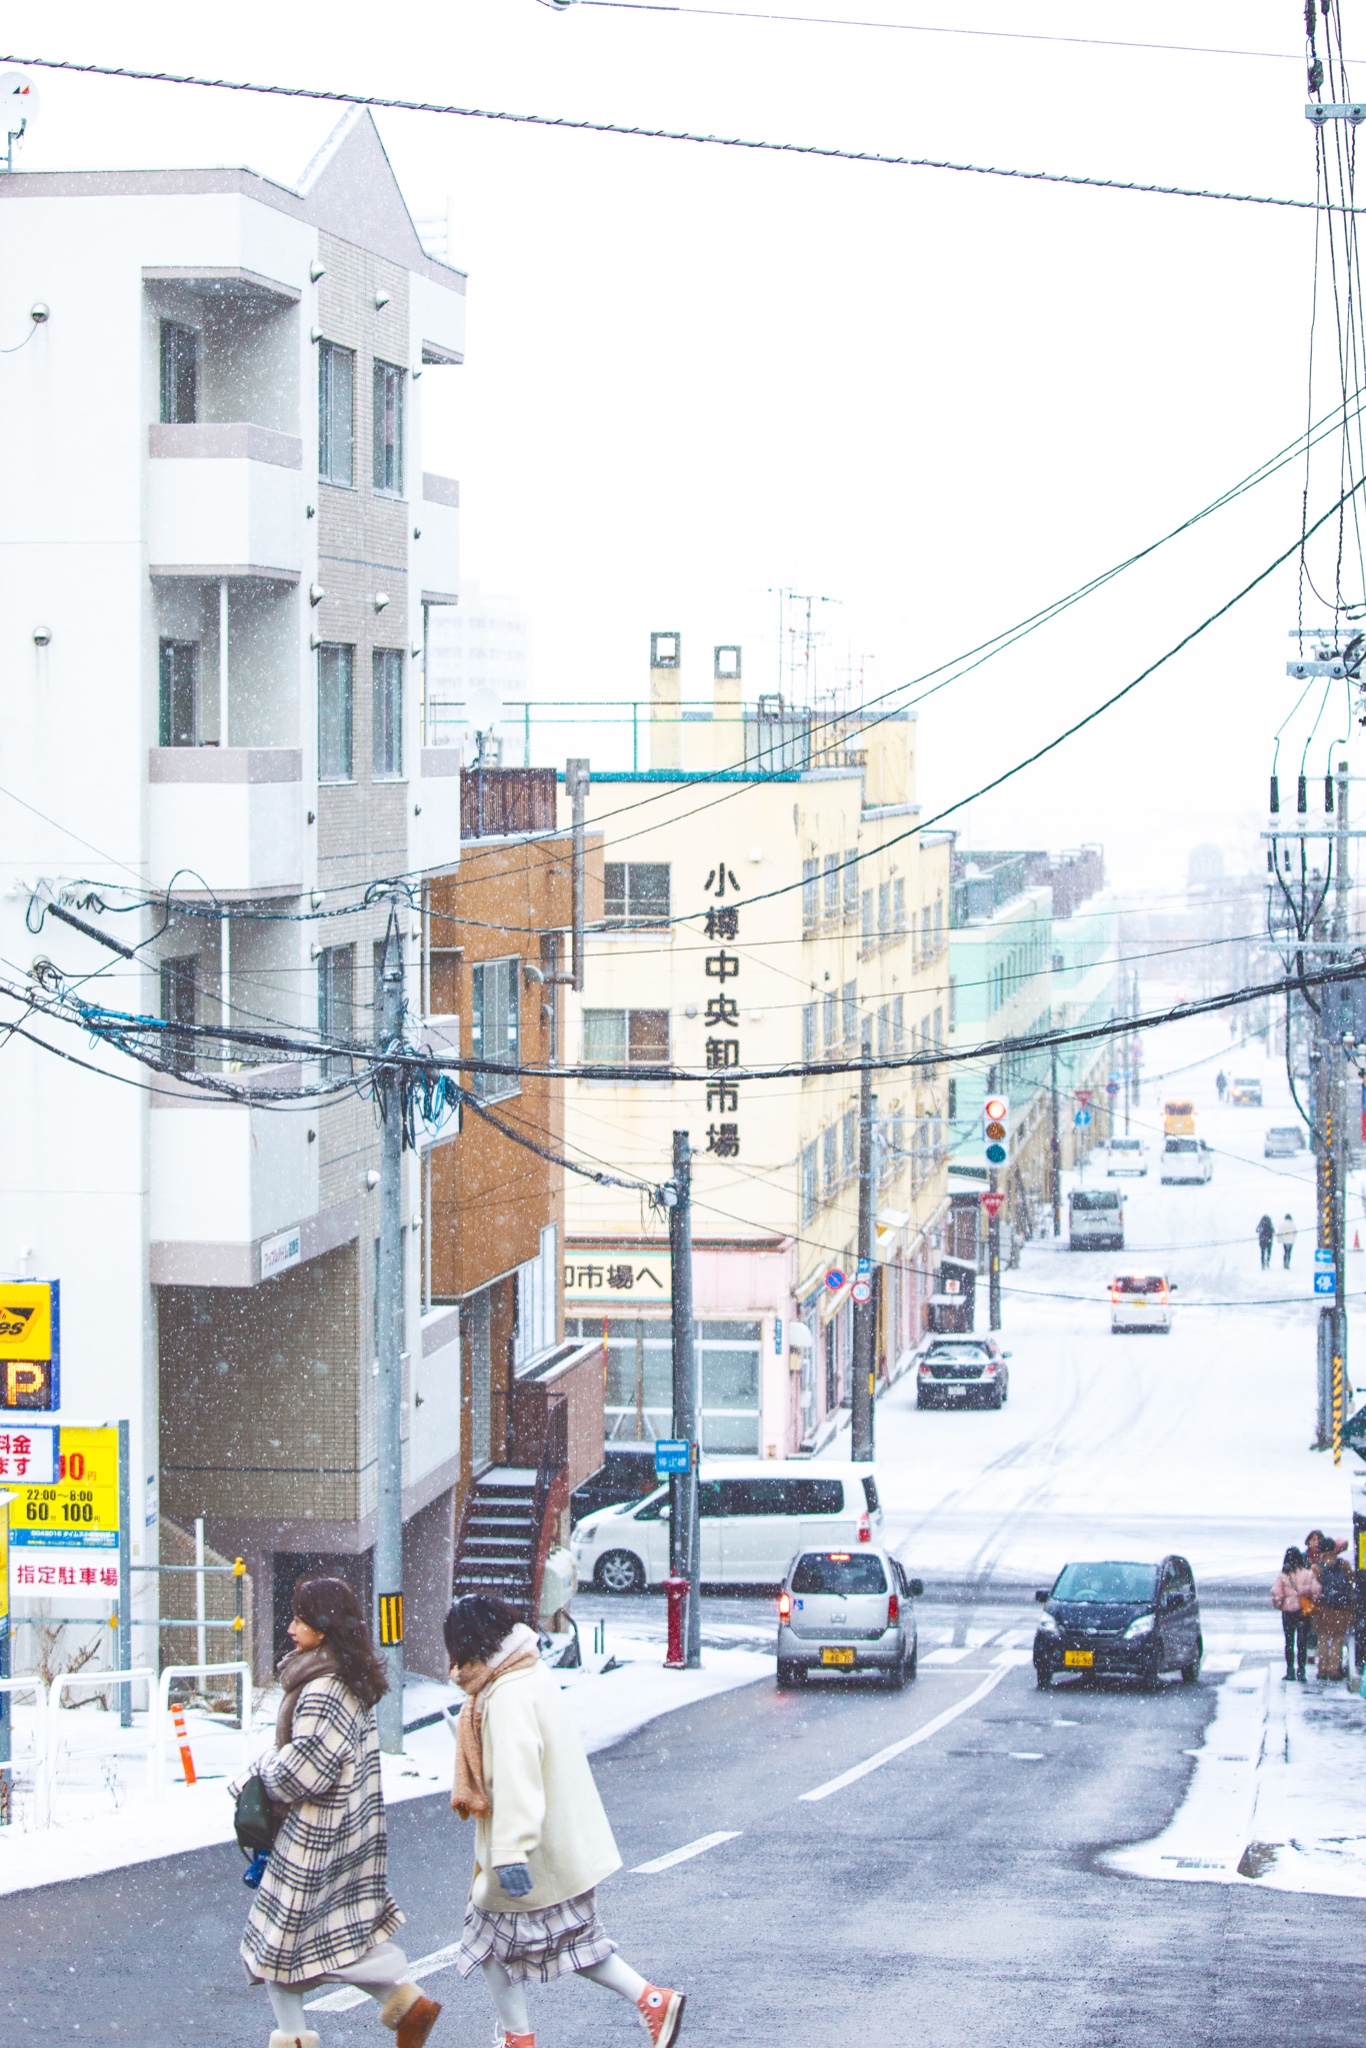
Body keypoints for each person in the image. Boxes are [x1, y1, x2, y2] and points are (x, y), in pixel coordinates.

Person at [445, 1592, 685, 2048]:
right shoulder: (526, 1671)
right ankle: (651, 2001)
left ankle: (521, 2039)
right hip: (556, 1845)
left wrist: (510, 1849)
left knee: (492, 1942)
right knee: (574, 1944)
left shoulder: (506, 1694)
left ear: (468, 1644)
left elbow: (517, 1775)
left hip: (532, 1852)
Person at [237, 1577, 442, 2048]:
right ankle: (408, 2006)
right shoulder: (343, 1675)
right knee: (323, 1941)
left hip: (318, 1834)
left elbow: (309, 1767)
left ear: (323, 1627)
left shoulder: (324, 1686)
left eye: (299, 1619)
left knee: (282, 1949)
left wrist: (253, 1781)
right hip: (345, 1828)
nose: (290, 1628)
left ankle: (396, 2007)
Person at [1271, 1546, 1319, 1680]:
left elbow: (1276, 1594)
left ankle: (1290, 1670)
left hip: (1288, 1612)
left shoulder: (1283, 1575)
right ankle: (1301, 1671)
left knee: (1289, 1642)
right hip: (1303, 1611)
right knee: (1302, 1641)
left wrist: (1280, 1604)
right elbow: (1316, 1591)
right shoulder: (1308, 1573)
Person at [1315, 1546, 1356, 1681]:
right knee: (1338, 1639)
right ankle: (1334, 1669)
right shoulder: (1343, 1564)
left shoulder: (1318, 1567)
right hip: (1340, 1609)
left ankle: (1322, 1668)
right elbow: (1351, 1582)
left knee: (1323, 1639)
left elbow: (1314, 1589)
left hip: (1324, 1608)